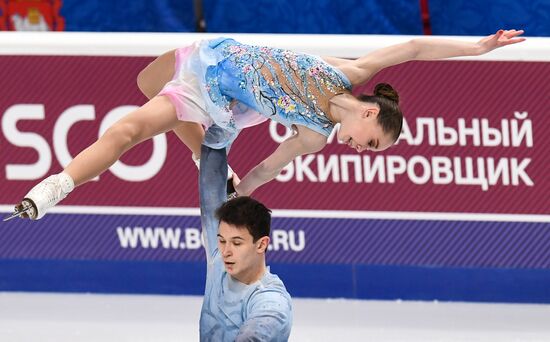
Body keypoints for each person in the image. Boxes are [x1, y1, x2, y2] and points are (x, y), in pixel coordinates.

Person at [12, 29, 525, 220]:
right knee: (145, 81)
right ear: (370, 112)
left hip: (214, 99)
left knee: (128, 131)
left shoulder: (314, 137)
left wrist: (238, 192)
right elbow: (413, 48)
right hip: (213, 54)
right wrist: (478, 47)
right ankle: (198, 149)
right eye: (371, 144)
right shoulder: (349, 73)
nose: (363, 150)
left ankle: (54, 188)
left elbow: (263, 172)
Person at [198, 144, 292, 341]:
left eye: (237, 243)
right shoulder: (219, 257)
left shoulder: (271, 303)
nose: (225, 251)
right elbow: (210, 177)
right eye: (221, 241)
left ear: (261, 244)